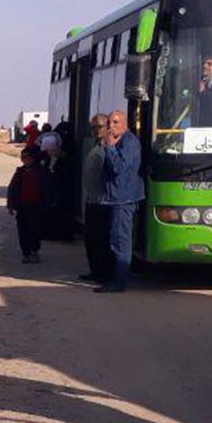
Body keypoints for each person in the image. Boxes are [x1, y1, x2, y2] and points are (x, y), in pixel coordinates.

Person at [95, 109, 144, 293]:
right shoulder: (118, 141)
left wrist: (110, 147)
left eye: (115, 122)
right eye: (109, 123)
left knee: (120, 242)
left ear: (125, 124)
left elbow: (118, 168)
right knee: (114, 240)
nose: (111, 127)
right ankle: (113, 277)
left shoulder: (129, 142)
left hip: (123, 199)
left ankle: (119, 282)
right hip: (114, 198)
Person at [79, 114, 113, 282]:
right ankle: (95, 271)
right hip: (92, 200)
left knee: (101, 241)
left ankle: (103, 273)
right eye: (93, 127)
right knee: (91, 240)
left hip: (103, 202)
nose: (95, 130)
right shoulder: (96, 146)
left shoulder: (110, 147)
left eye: (99, 127)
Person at [6, 146, 48, 264]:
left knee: (35, 229)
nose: (24, 159)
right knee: (23, 230)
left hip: (36, 206)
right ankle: (26, 253)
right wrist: (10, 205)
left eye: (27, 157)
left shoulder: (41, 172)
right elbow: (12, 189)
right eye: (22, 157)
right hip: (22, 206)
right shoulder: (20, 172)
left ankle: (34, 250)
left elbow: (46, 189)